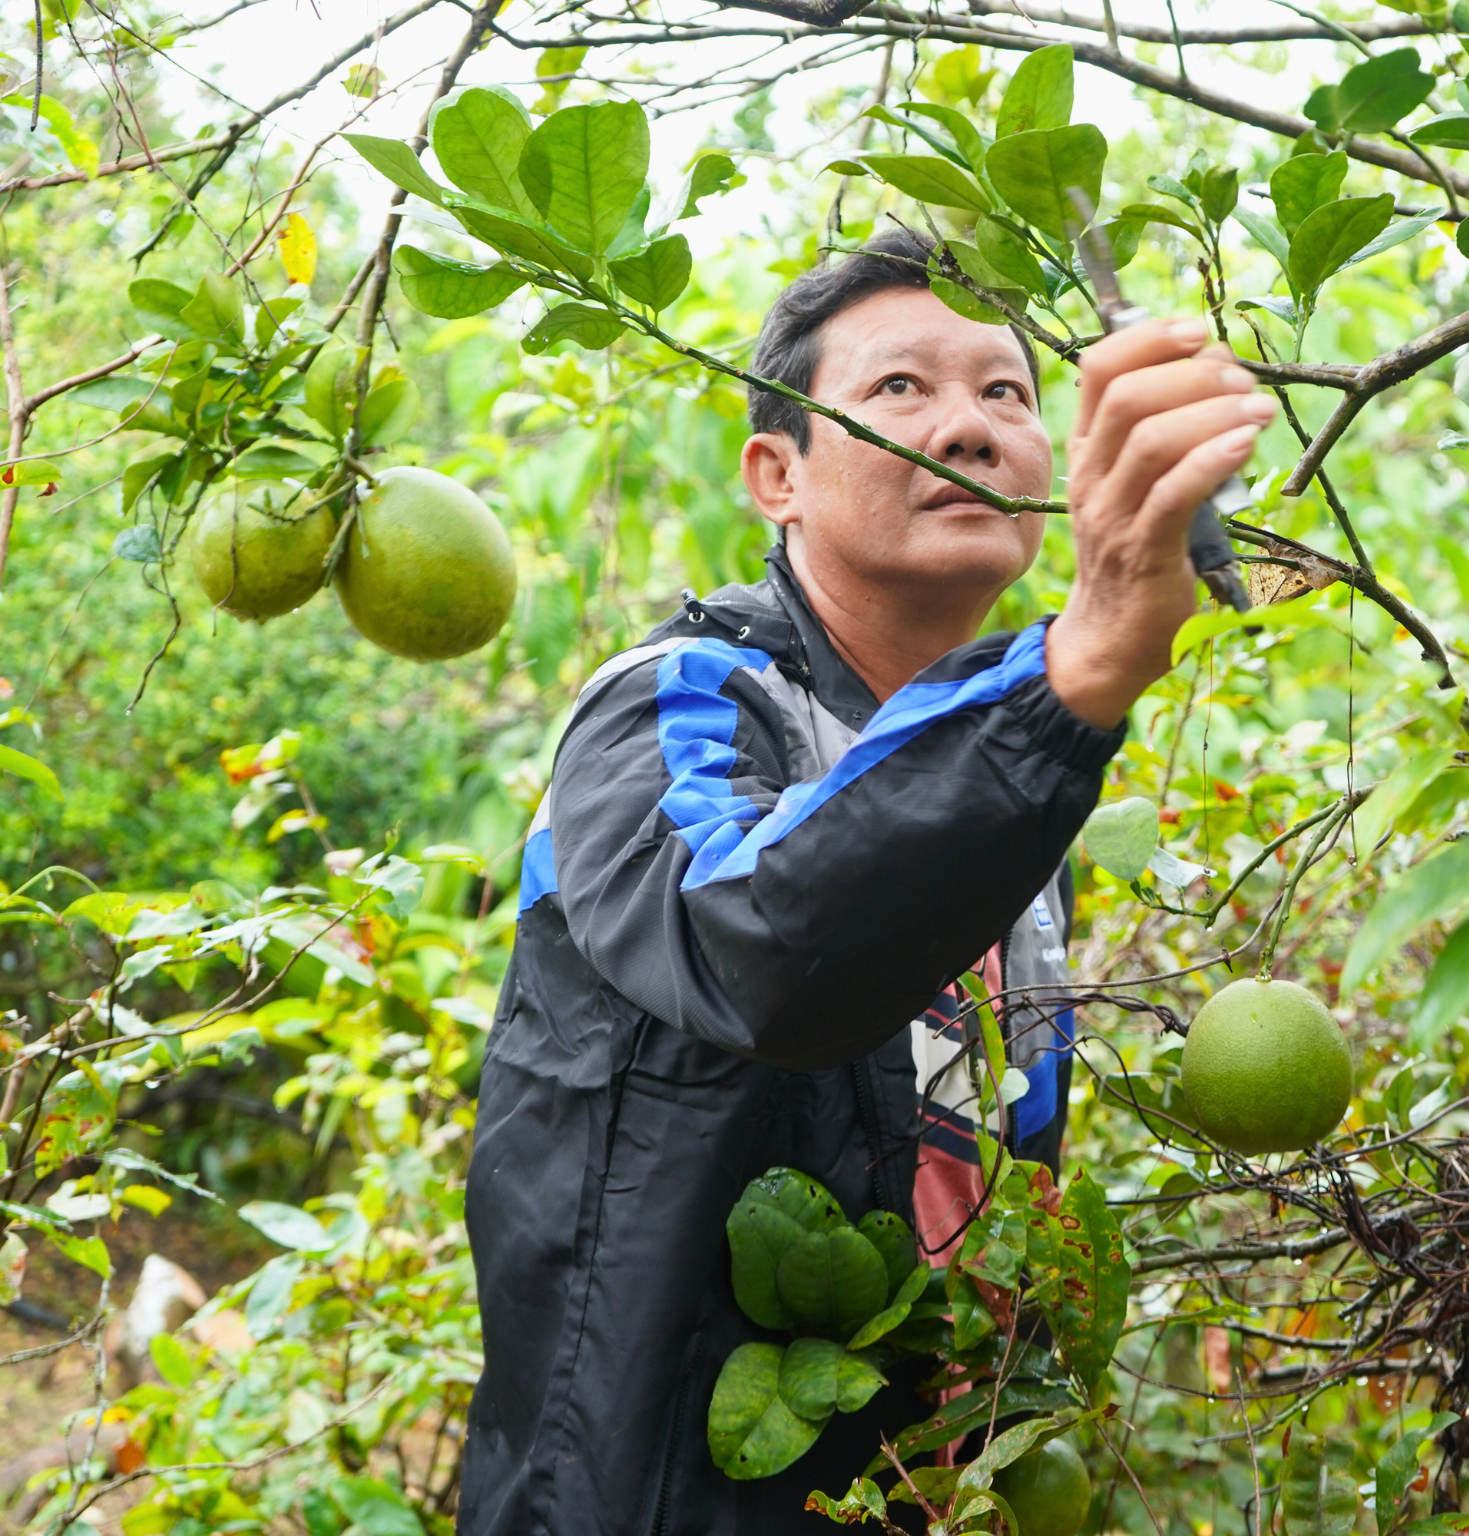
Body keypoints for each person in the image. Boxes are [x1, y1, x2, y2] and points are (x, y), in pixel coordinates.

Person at [456, 227, 1275, 1535]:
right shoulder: (671, 710)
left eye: (1007, 393)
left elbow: (998, 1165)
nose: (970, 427)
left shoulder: (1017, 790)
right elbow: (761, 949)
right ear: (776, 475)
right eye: (902, 390)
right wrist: (1079, 669)